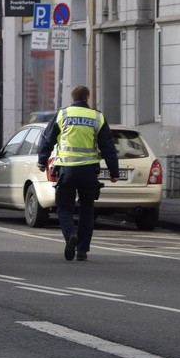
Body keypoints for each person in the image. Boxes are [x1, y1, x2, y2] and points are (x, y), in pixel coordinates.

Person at [37, 85, 120, 262]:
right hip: (89, 171)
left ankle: (70, 235)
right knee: (87, 209)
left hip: (67, 171)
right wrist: (114, 171)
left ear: (72, 98)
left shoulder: (62, 115)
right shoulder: (97, 116)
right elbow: (108, 147)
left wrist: (42, 161)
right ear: (87, 98)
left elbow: (47, 139)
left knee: (64, 208)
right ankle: (82, 250)